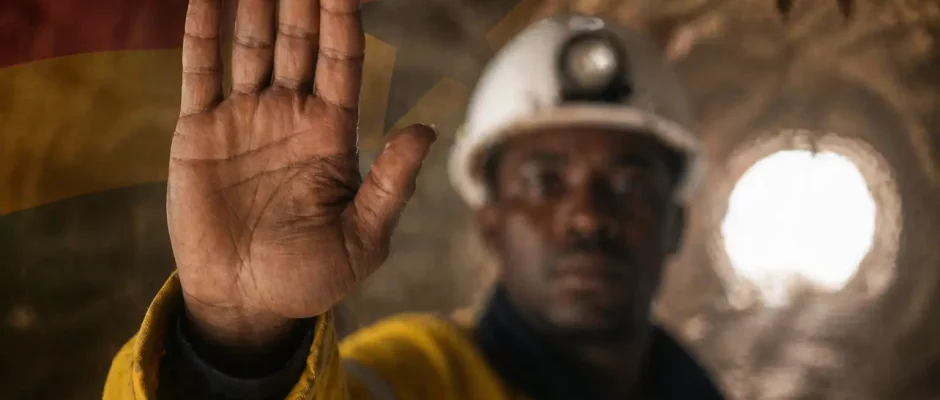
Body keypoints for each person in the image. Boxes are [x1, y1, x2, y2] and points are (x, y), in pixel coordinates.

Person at [103, 0, 723, 398]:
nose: (588, 216)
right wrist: (237, 340)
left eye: (628, 183)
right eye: (544, 181)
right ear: (490, 222)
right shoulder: (405, 380)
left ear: (676, 222)